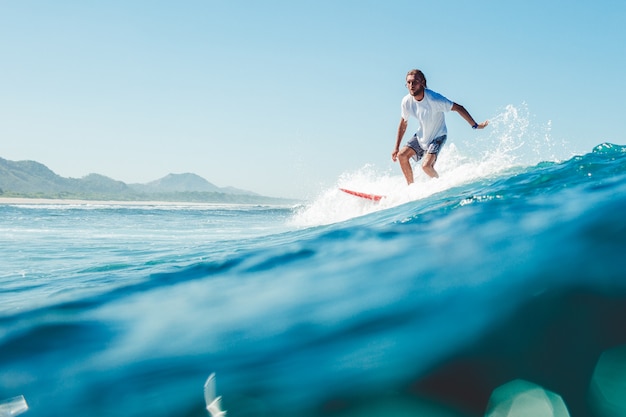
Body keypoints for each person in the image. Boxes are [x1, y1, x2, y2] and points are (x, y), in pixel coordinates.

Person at [392, 69, 489, 184]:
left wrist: (475, 125)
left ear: (422, 82)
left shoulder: (434, 99)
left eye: (414, 82)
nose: (411, 85)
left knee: (426, 166)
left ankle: (441, 185)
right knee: (401, 156)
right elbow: (403, 123)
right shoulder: (406, 101)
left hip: (438, 136)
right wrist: (396, 147)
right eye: (408, 82)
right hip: (422, 135)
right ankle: (411, 188)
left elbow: (459, 108)